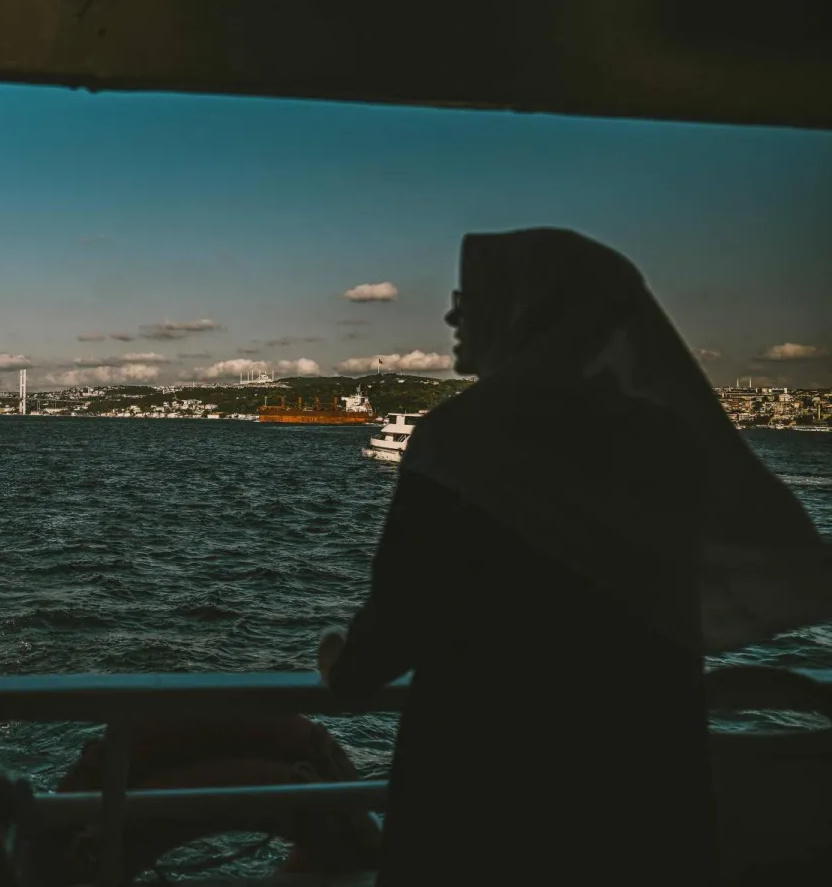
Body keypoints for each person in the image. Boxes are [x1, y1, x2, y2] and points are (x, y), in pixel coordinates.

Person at [317, 228, 830, 885]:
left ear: (526, 311)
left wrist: (341, 661)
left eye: (468, 299)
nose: (451, 316)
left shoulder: (462, 436)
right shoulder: (661, 443)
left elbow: (396, 625)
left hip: (487, 785)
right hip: (640, 781)